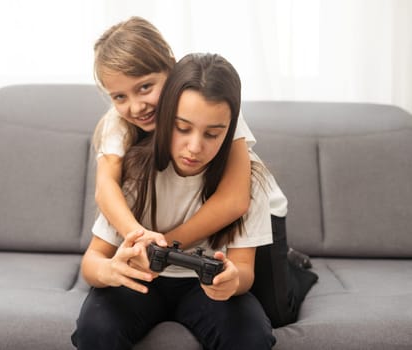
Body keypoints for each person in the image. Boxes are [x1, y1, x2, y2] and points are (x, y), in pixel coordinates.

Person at [90, 16, 317, 328]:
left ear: (171, 68)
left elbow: (235, 201)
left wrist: (164, 245)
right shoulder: (119, 125)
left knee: (274, 313)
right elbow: (106, 188)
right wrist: (138, 237)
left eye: (145, 87)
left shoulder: (212, 108)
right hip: (187, 217)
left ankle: (293, 266)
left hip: (257, 210)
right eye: (119, 97)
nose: (136, 106)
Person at [72, 53, 276, 349]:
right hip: (140, 282)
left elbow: (244, 270)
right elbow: (92, 262)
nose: (195, 148)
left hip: (201, 287)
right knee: (96, 330)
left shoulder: (249, 180)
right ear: (165, 117)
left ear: (230, 132)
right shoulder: (133, 171)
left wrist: (234, 280)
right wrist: (110, 270)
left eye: (213, 134)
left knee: (251, 336)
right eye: (182, 129)